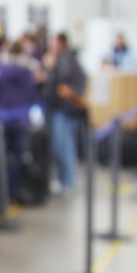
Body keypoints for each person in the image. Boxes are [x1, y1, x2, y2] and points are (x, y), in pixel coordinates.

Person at [0, 41, 38, 201]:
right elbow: (30, 95)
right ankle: (13, 189)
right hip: (20, 121)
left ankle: (0, 192)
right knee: (18, 158)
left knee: (1, 158)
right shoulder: (26, 73)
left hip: (2, 121)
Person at [45, 32, 87, 191]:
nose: (51, 45)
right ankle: (67, 179)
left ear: (62, 43)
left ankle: (68, 180)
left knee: (63, 146)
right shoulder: (67, 59)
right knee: (65, 145)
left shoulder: (65, 60)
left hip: (64, 110)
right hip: (65, 110)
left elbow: (60, 84)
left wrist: (50, 69)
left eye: (54, 42)